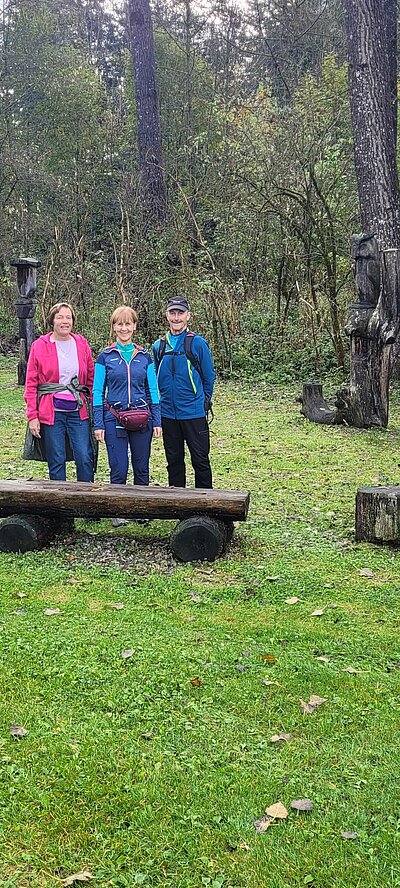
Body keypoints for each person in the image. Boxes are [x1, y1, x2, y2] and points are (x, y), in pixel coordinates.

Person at [93, 306, 161, 495]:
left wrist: (157, 420)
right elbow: (97, 391)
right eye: (120, 324)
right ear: (113, 327)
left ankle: (141, 508)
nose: (124, 328)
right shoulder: (104, 357)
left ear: (134, 326)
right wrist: (98, 423)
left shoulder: (144, 356)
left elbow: (152, 389)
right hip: (114, 418)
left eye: (128, 324)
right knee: (119, 468)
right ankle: (117, 510)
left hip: (142, 418)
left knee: (141, 468)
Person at [24, 302, 95, 482]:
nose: (65, 321)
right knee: (56, 459)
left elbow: (90, 379)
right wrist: (33, 416)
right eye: (60, 317)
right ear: (52, 321)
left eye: (68, 317)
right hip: (51, 411)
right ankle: (60, 503)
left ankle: (86, 502)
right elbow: (31, 383)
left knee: (84, 456)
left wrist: (93, 405)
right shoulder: (40, 345)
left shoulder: (81, 343)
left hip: (78, 410)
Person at [153, 296, 216, 488]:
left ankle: (205, 507)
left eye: (180, 313)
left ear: (188, 315)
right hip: (168, 414)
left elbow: (209, 376)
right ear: (167, 315)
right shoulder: (159, 346)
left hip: (193, 412)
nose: (176, 317)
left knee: (200, 460)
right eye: (173, 313)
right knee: (174, 462)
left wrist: (203, 401)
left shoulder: (197, 343)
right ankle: (178, 506)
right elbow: (155, 376)